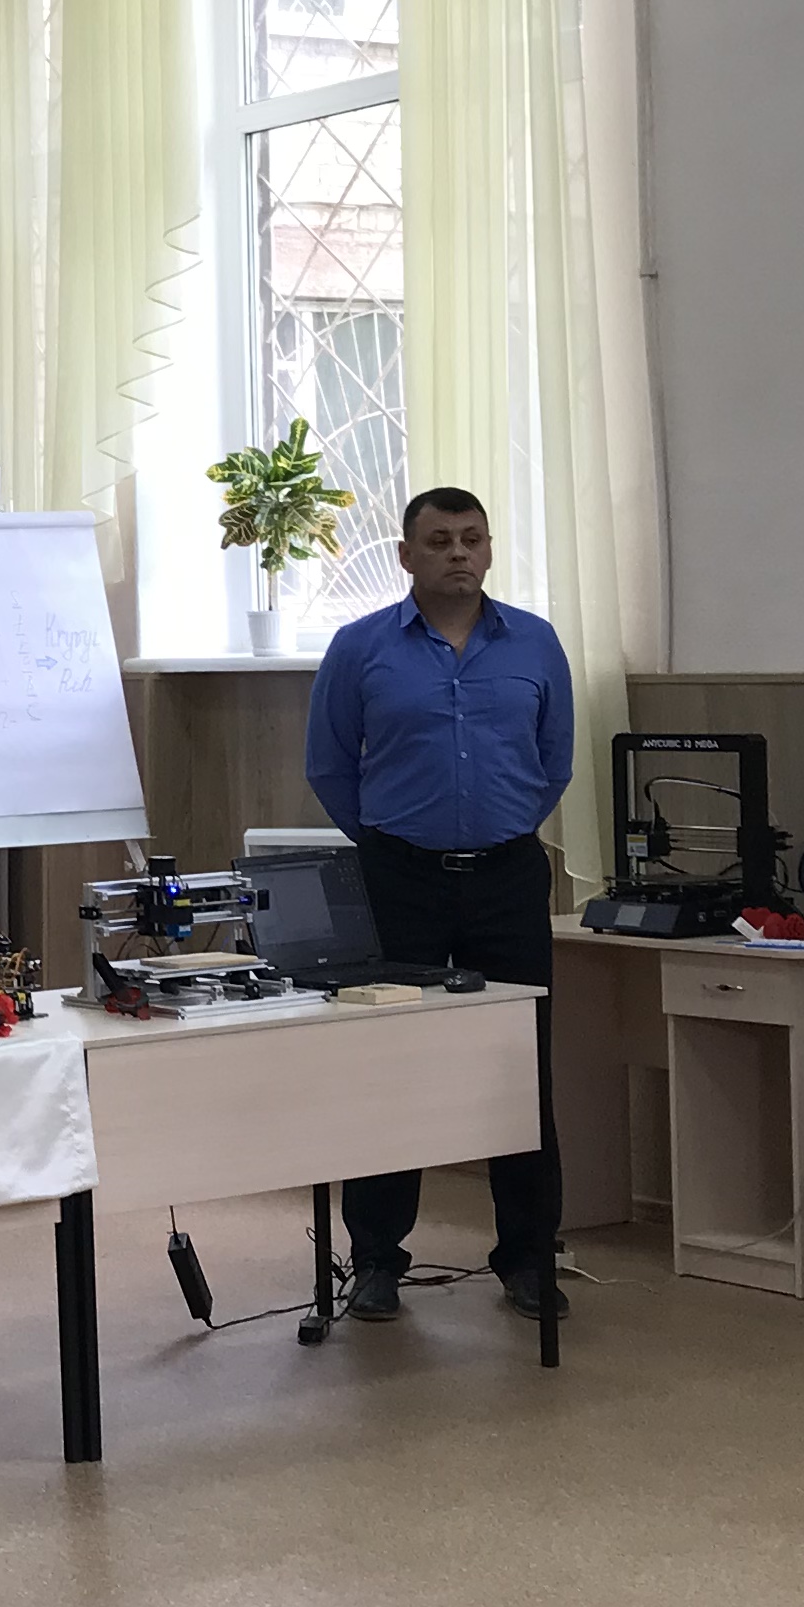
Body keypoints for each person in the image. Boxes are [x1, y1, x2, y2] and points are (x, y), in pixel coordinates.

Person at [300, 485, 576, 1327]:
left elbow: (554, 761)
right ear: (406, 555)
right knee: (394, 1065)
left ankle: (528, 1258)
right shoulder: (361, 646)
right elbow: (329, 764)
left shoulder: (535, 642)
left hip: (507, 877)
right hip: (400, 878)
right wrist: (392, 840)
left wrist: (497, 828)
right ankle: (377, 1262)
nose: (458, 552)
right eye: (440, 540)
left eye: (472, 538)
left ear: (488, 550)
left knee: (517, 1065)